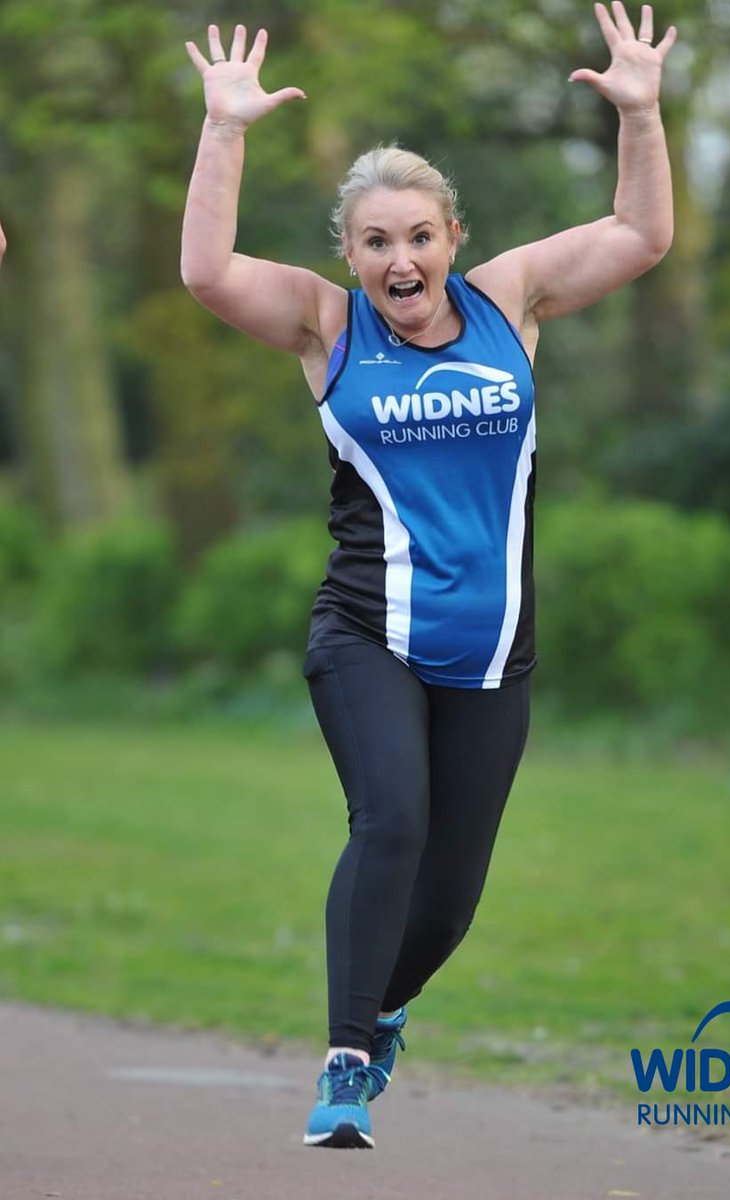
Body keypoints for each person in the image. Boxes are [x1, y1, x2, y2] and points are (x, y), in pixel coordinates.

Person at [182, 1, 676, 1150]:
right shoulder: (327, 327)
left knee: (448, 901)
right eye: (375, 242)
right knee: (391, 819)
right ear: (348, 254)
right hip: (367, 633)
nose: (399, 260)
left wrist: (642, 115)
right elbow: (208, 274)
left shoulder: (511, 303)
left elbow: (639, 237)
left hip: (493, 653)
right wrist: (225, 131)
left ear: (453, 236)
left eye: (418, 236)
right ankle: (346, 1062)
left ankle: (388, 1008)